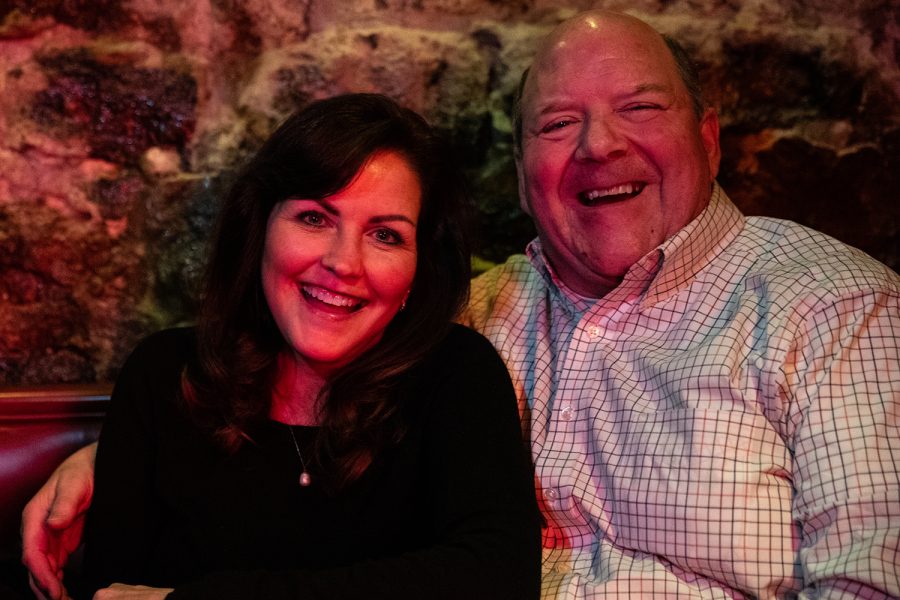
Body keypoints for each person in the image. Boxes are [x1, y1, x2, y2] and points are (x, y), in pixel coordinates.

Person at [23, 9, 900, 599]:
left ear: (707, 135)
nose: (599, 145)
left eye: (639, 107)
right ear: (522, 174)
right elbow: (298, 371)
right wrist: (116, 450)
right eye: (558, 125)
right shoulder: (471, 311)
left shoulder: (835, 308)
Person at [23, 92, 541, 600]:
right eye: (315, 218)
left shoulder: (457, 376)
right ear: (261, 228)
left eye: (385, 235)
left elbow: (497, 578)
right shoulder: (164, 377)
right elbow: (114, 594)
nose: (344, 263)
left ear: (417, 270)